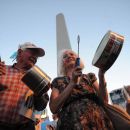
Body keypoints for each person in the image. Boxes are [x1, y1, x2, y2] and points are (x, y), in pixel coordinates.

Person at [49, 49, 115, 130]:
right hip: (71, 124)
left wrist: (101, 76)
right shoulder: (58, 81)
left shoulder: (89, 77)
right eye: (65, 56)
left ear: (78, 58)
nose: (69, 56)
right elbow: (53, 108)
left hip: (98, 121)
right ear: (63, 63)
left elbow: (104, 100)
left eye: (72, 54)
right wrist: (72, 83)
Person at [0, 42, 50, 130]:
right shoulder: (3, 70)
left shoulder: (40, 78)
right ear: (19, 52)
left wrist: (39, 94)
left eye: (37, 56)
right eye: (32, 52)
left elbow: (41, 106)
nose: (35, 57)